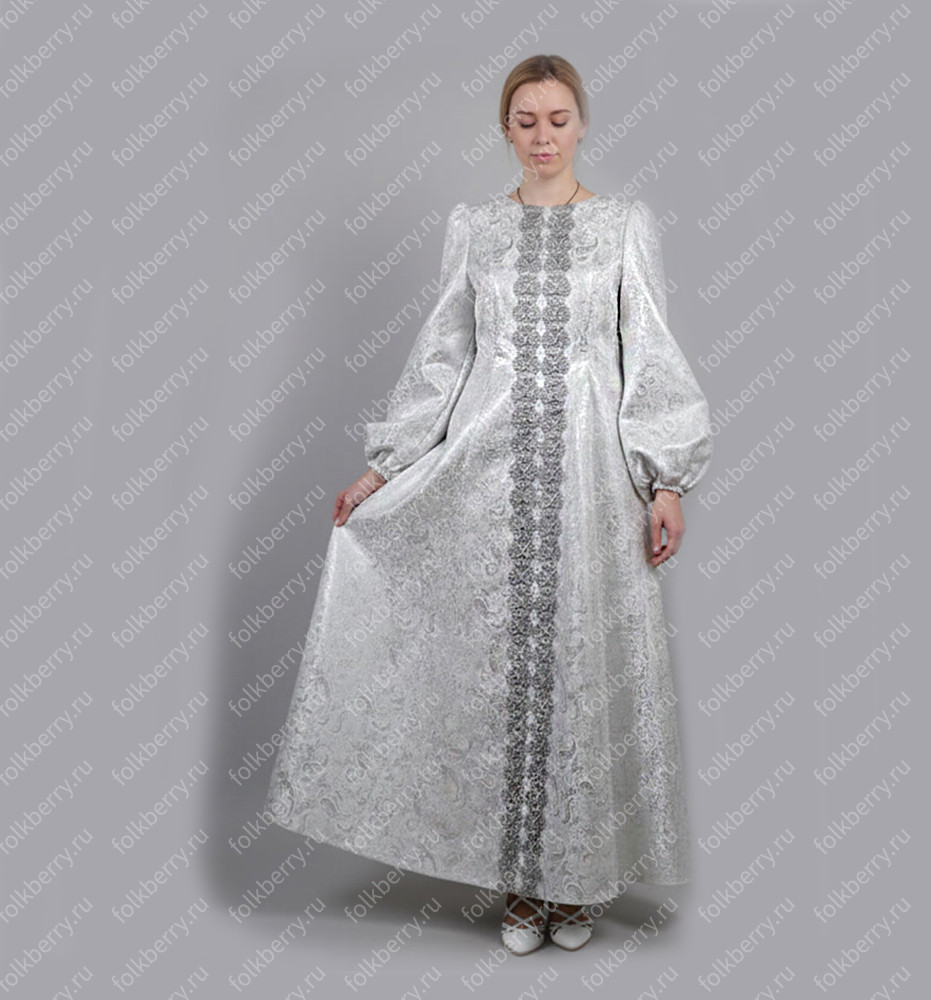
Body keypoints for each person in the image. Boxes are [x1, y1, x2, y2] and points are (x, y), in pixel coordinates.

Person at [264, 53, 714, 956]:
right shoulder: (475, 227)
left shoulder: (623, 225)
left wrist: (665, 478)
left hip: (591, 480)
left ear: (582, 123)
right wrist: (385, 469)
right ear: (504, 130)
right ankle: (517, 881)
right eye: (525, 121)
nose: (543, 137)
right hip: (488, 471)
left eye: (558, 119)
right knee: (502, 671)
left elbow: (650, 351)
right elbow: (446, 354)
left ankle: (576, 883)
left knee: (580, 666)